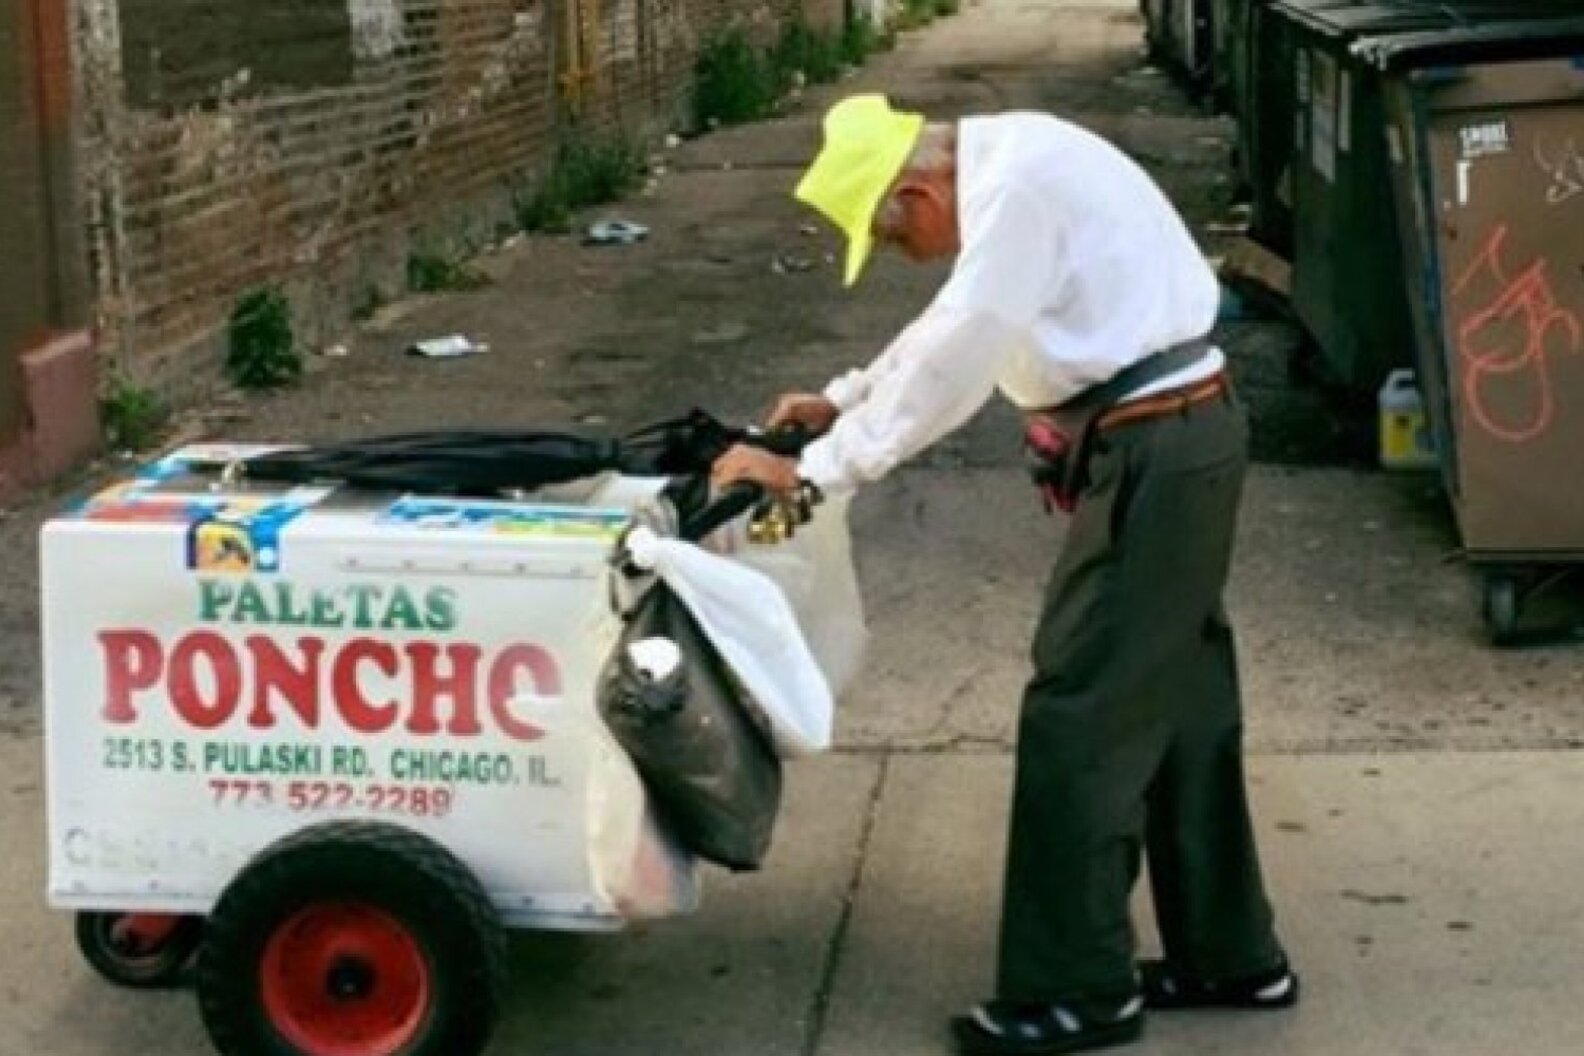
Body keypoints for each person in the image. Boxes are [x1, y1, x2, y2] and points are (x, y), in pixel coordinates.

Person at [711, 94, 1297, 1055]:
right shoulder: (1009, 164)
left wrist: (815, 471)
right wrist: (847, 399)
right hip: (1179, 437)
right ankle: (1232, 958)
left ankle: (1076, 992)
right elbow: (953, 321)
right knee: (1183, 707)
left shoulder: (1014, 188)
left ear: (917, 191)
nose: (907, 255)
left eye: (892, 238)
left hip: (1156, 450)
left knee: (1081, 708)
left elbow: (962, 351)